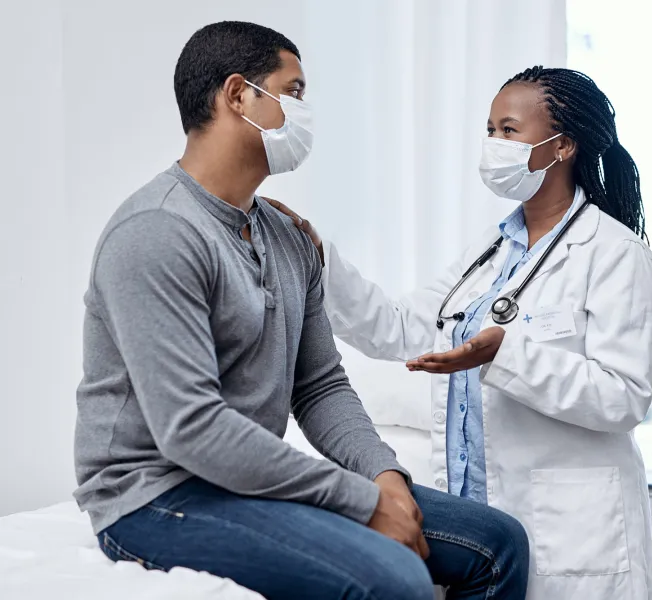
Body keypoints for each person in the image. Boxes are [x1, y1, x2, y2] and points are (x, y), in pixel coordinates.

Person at [72, 21, 530, 600]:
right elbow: (191, 429)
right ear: (238, 95)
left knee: (498, 542)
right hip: (157, 496)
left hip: (241, 483)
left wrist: (385, 477)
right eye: (294, 92)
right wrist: (363, 503)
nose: (304, 110)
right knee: (394, 579)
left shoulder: (287, 238)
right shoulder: (157, 233)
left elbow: (318, 385)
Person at [269, 66, 652, 599]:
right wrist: (320, 258)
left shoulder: (616, 254)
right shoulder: (490, 252)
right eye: (490, 131)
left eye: (509, 130)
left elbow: (623, 397)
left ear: (563, 145)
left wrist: (506, 354)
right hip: (483, 525)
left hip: (571, 535)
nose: (494, 145)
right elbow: (401, 327)